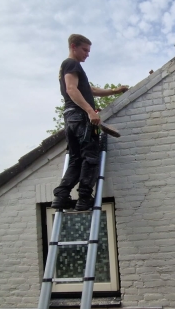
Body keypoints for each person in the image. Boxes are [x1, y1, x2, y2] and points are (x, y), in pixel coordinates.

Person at [51, 34, 128, 211]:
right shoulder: (71, 63)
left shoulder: (70, 68)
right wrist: (89, 111)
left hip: (71, 119)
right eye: (84, 50)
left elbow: (90, 90)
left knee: (76, 159)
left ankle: (61, 196)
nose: (87, 54)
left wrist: (115, 91)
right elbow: (71, 89)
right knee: (90, 158)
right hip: (80, 117)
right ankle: (85, 197)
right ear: (73, 46)